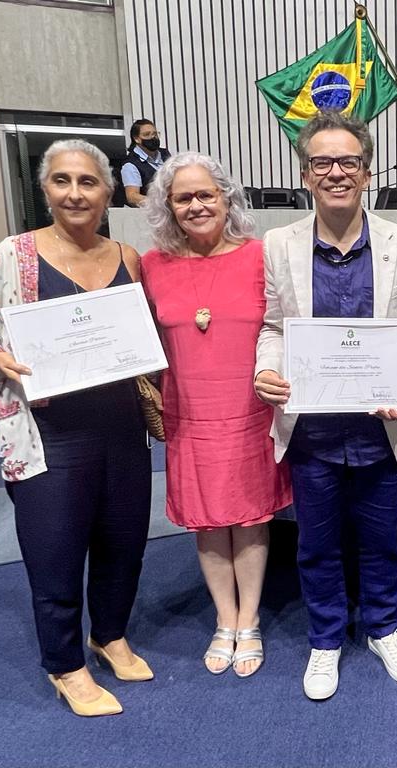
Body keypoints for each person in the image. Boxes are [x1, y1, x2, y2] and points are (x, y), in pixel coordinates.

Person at [0, 139, 154, 717]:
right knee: (55, 553)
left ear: (108, 192)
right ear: (45, 190)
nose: (75, 193)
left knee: (124, 546)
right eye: (62, 181)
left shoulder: (128, 257)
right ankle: (66, 665)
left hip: (120, 430)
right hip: (47, 435)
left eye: (88, 182)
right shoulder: (11, 256)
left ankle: (108, 634)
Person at [254, 111, 397, 700]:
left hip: (383, 426)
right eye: (322, 162)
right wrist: (267, 369)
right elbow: (274, 325)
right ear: (305, 174)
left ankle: (383, 627)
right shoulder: (278, 244)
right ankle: (326, 638)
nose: (336, 172)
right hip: (313, 429)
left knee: (384, 539)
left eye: (348, 161)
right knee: (317, 542)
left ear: (367, 169)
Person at [140, 152, 292, 678]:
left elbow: (281, 327)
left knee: (250, 519)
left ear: (228, 198)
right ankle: (223, 618)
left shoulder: (260, 255)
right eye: (183, 197)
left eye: (207, 194)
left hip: (248, 408)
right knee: (207, 521)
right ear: (168, 207)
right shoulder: (151, 266)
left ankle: (248, 618)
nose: (197, 205)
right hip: (189, 412)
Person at [122, 119, 171, 207]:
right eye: (147, 135)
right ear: (137, 139)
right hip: (153, 213)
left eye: (155, 134)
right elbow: (132, 197)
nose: (152, 137)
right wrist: (161, 203)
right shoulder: (131, 164)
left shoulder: (165, 155)